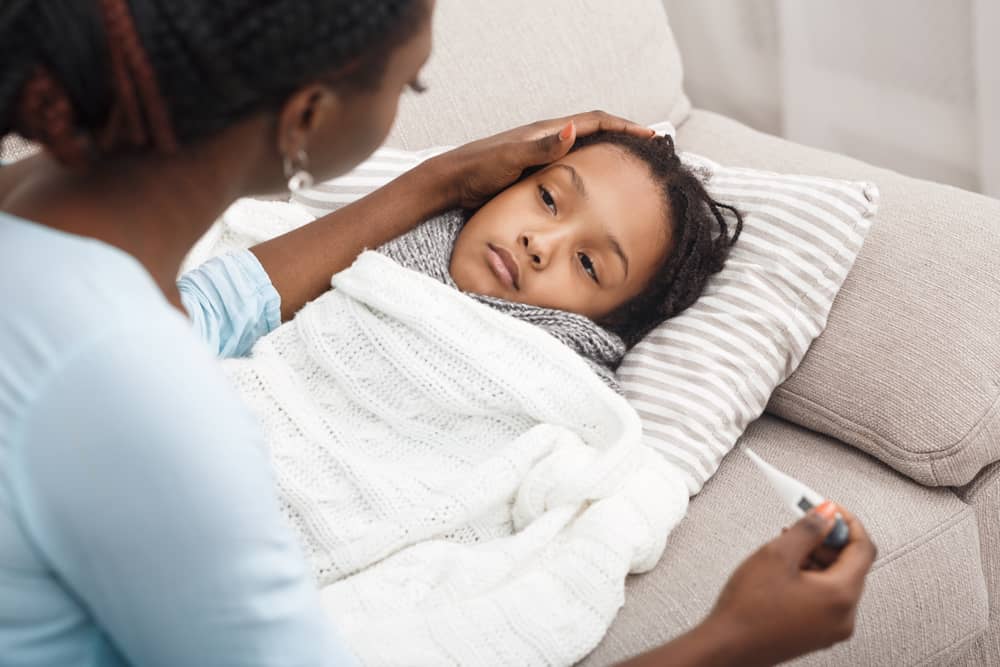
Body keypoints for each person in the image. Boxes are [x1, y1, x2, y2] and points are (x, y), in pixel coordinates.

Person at [0, 1, 876, 666]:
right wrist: (732, 639)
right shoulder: (149, 411)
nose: (539, 237)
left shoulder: (45, 243)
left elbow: (206, 312)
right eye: (410, 86)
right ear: (306, 117)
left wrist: (440, 179)